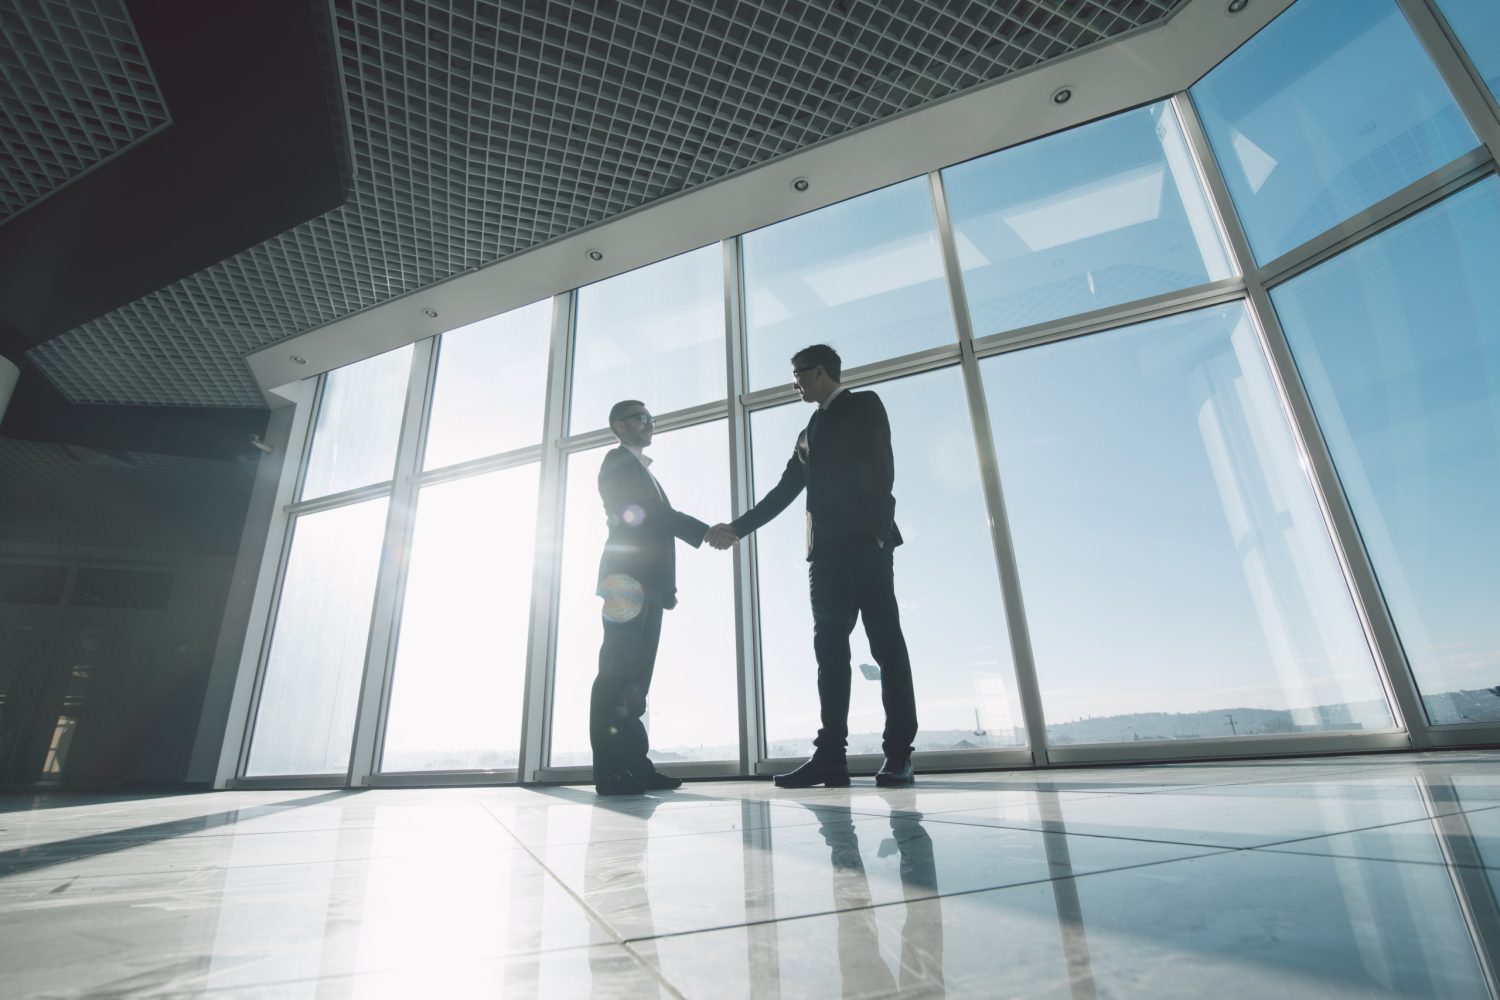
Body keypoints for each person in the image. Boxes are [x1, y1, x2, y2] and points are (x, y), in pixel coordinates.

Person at [707, 345, 917, 787]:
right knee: (830, 655)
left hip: (866, 547)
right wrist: (737, 528)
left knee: (886, 648)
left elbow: (883, 470)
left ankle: (898, 754)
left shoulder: (864, 404)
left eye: (798, 375)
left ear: (819, 371)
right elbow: (784, 490)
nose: (795, 384)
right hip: (824, 559)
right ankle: (831, 758)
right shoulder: (809, 430)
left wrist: (875, 535)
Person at [591, 399, 710, 795]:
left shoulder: (643, 471)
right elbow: (647, 515)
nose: (650, 424)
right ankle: (609, 772)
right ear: (619, 427)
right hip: (627, 583)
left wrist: (666, 590)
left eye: (651, 418)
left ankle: (635, 767)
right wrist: (705, 531)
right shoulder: (617, 463)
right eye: (642, 418)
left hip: (648, 587)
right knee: (615, 676)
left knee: (636, 683)